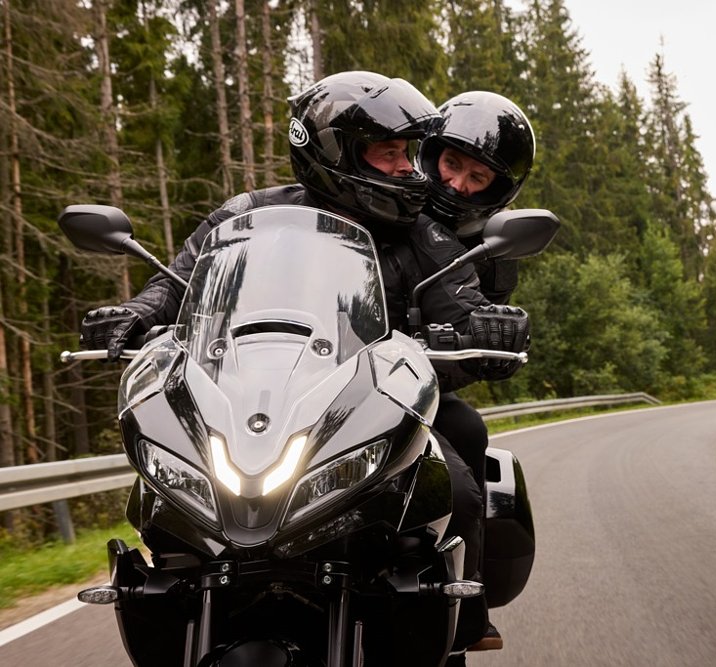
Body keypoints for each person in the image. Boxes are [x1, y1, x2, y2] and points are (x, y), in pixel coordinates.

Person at [78, 71, 529, 653]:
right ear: (338, 152)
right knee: (163, 498)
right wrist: (133, 314)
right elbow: (178, 284)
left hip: (372, 401)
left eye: (407, 153)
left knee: (459, 477)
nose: (407, 168)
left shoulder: (421, 234)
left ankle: (462, 620)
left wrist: (484, 328)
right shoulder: (244, 217)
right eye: (389, 153)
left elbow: (462, 304)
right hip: (252, 399)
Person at [416, 90, 536, 652]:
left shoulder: (490, 246)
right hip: (313, 377)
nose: (459, 184)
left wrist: (486, 340)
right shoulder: (382, 201)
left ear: (500, 186)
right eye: (452, 164)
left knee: (466, 434)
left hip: (410, 383)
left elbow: (475, 322)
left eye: (477, 176)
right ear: (431, 153)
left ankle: (465, 605)